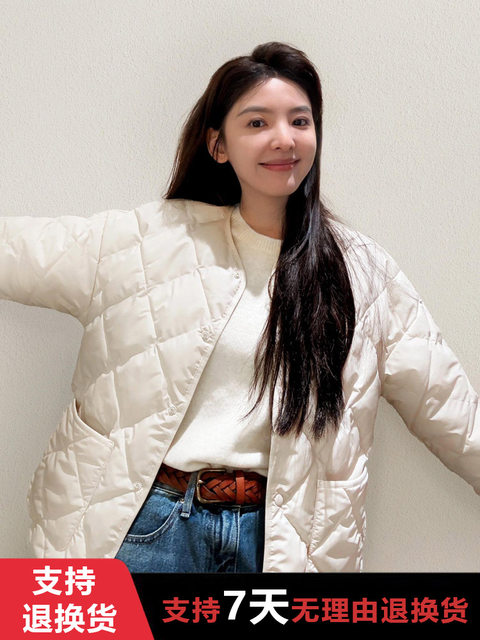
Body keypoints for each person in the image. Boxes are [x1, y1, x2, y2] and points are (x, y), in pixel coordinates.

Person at [0, 42, 478, 573]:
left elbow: (451, 411)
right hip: (146, 529)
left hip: (280, 544)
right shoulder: (144, 241)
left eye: (300, 121)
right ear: (218, 145)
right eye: (257, 122)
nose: (284, 138)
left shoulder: (362, 274)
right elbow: (18, 254)